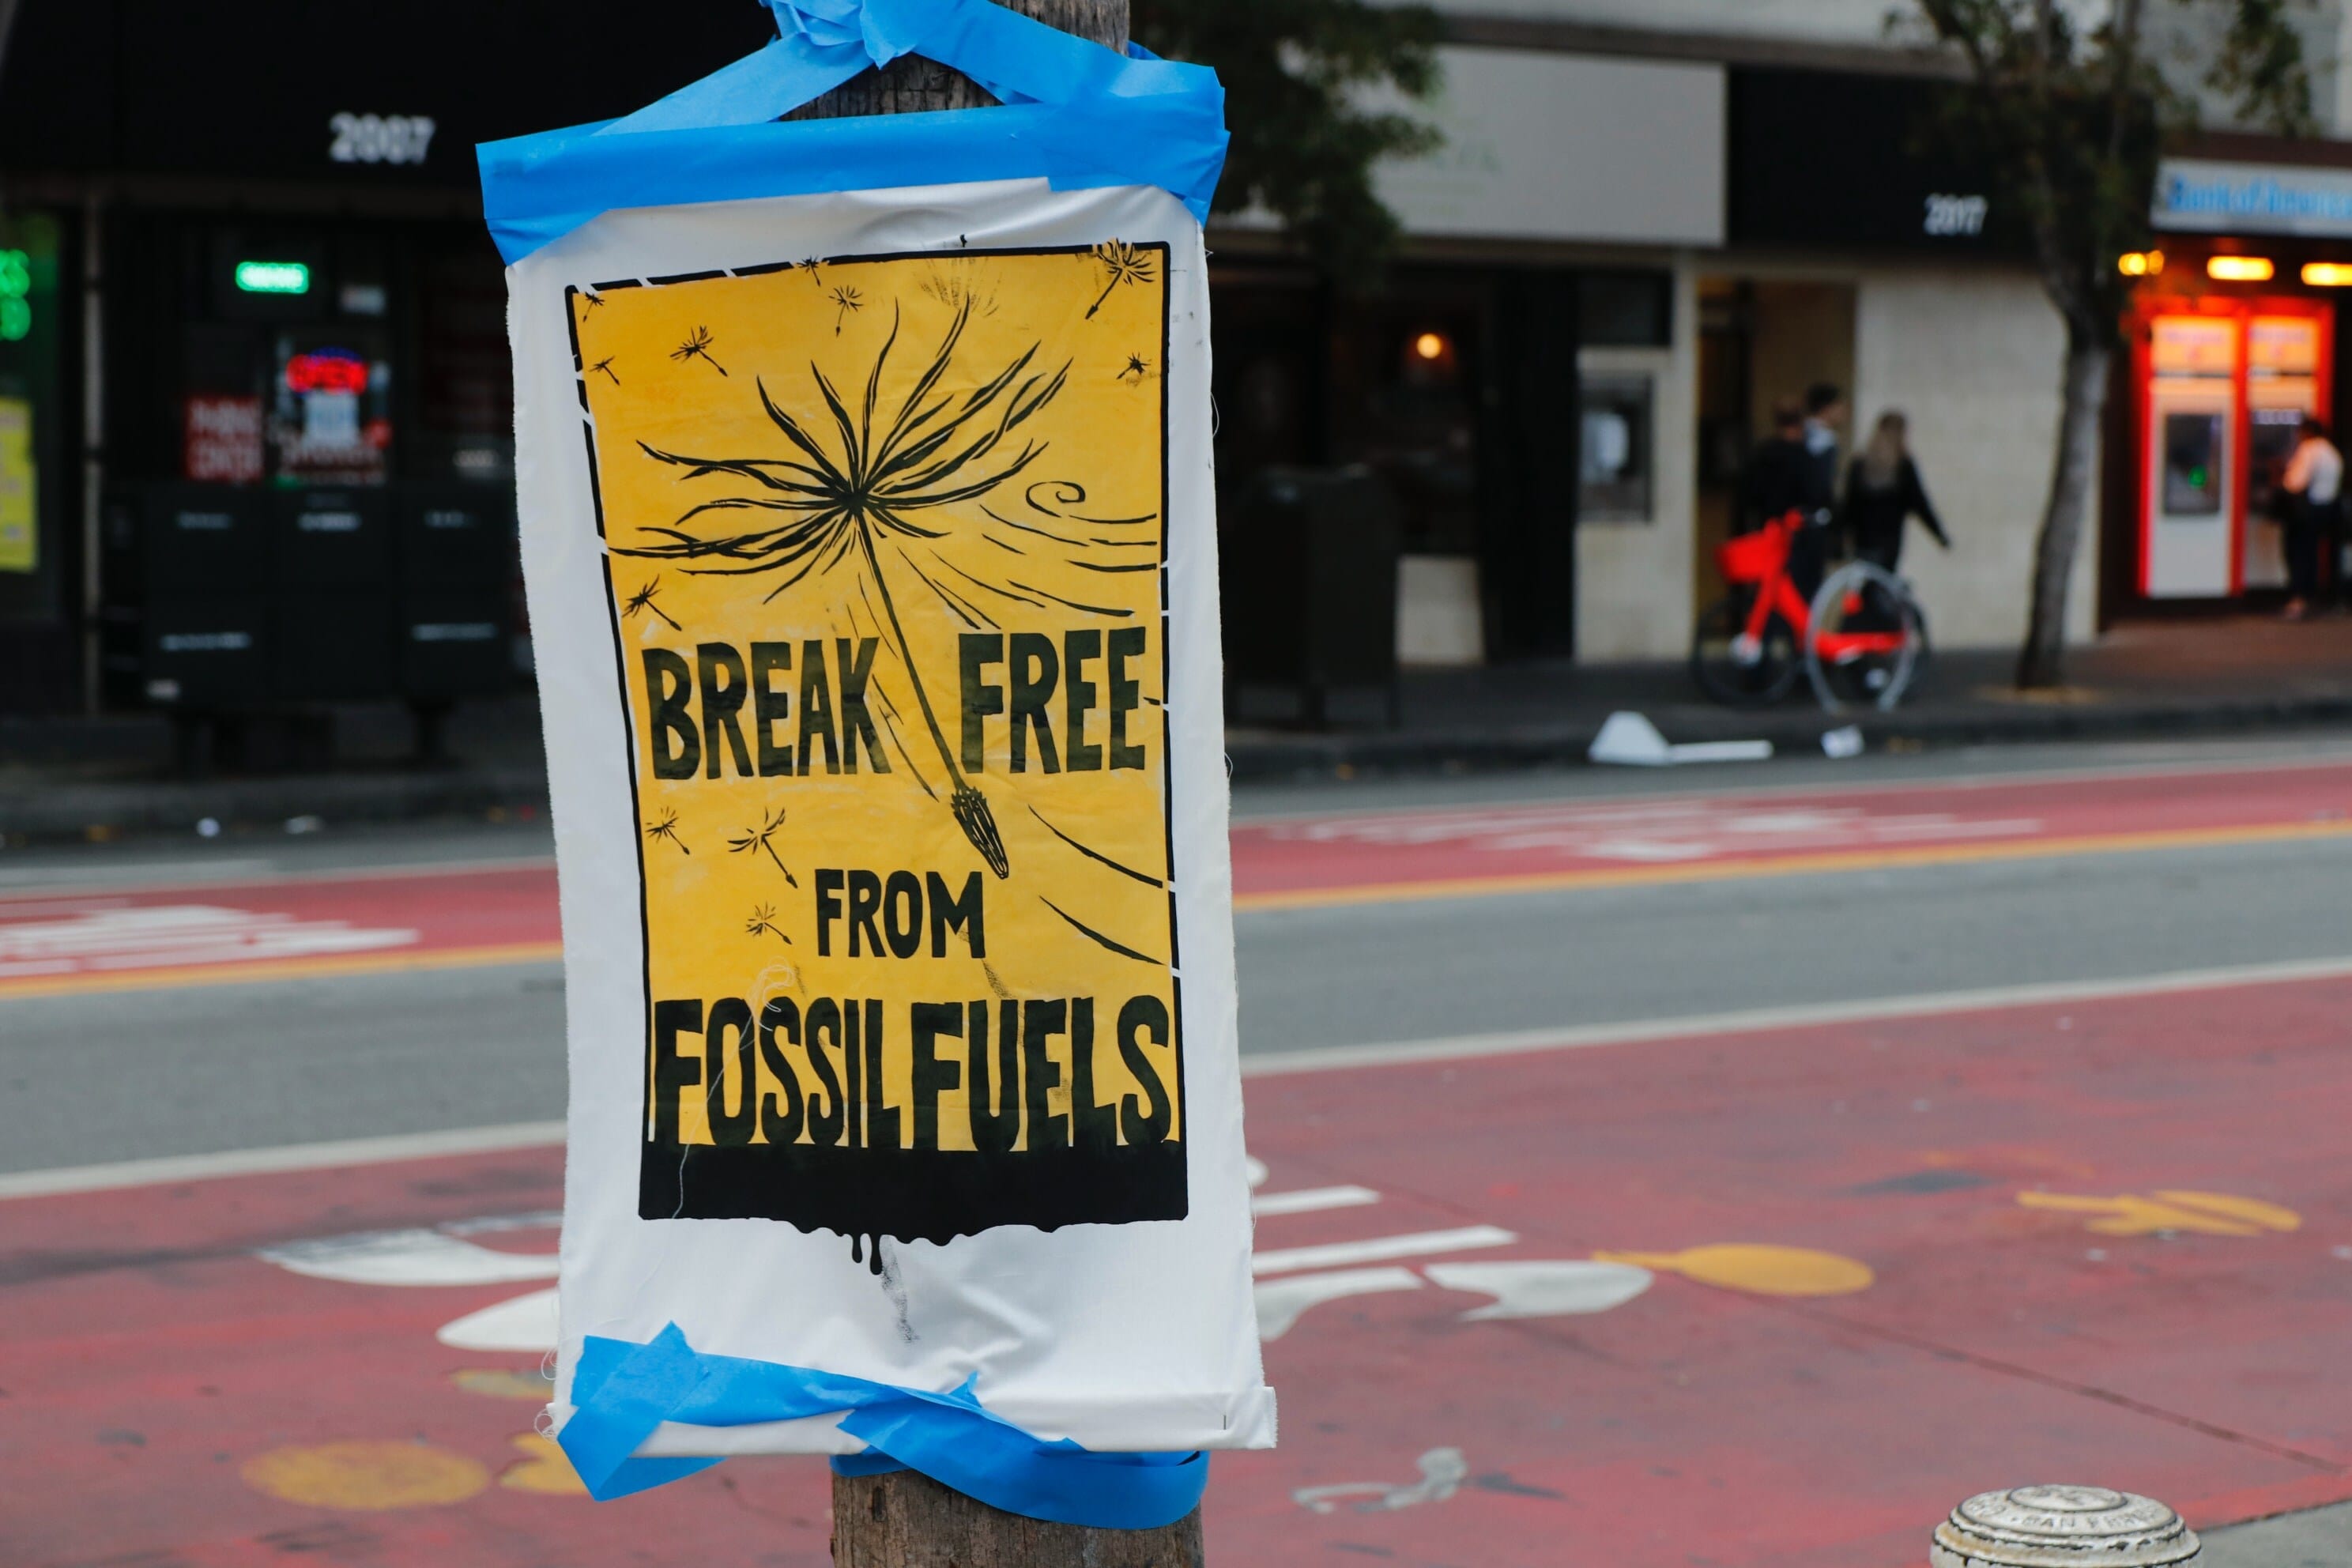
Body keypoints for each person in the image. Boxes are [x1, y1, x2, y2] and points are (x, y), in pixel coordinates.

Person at [1740, 398, 1835, 601]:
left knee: (1771, 592)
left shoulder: (1761, 454)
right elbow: (1819, 495)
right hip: (1800, 537)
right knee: (1801, 596)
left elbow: (1747, 497)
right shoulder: (1805, 458)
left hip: (1769, 532)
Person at [1841, 411, 1951, 571]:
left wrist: (1839, 537)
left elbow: (1848, 506)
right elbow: (1920, 503)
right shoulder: (1902, 466)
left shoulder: (1860, 464)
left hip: (1862, 539)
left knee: (1865, 579)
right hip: (1889, 540)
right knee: (1883, 580)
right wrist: (1940, 535)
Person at [2279, 413, 2343, 620]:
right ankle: (2319, 598)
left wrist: (2283, 478)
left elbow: (2296, 482)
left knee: (2299, 554)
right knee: (2314, 554)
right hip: (2328, 509)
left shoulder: (2309, 450)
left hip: (2306, 511)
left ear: (2307, 432)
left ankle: (2298, 600)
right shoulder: (2332, 452)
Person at [1804, 381, 1848, 503]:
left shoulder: (1803, 430)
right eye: (1839, 405)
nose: (1843, 411)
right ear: (1826, 408)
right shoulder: (1825, 439)